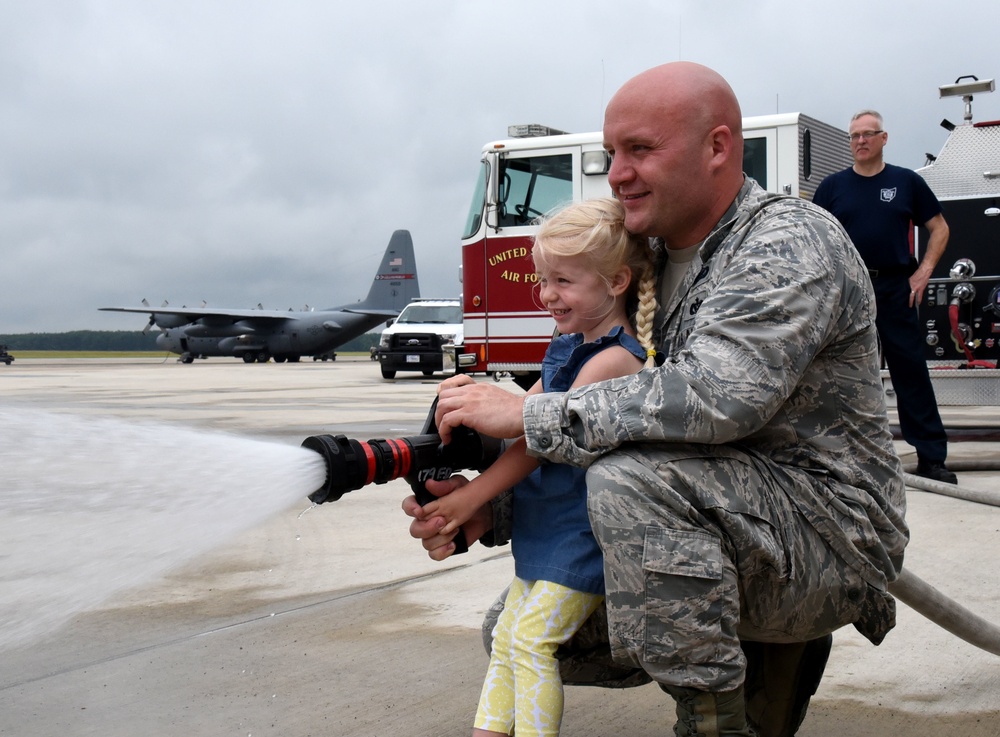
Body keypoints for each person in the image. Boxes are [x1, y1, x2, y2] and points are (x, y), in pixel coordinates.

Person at [405, 62, 908, 737]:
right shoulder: (641, 256)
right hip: (720, 514)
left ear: (718, 148)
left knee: (631, 482)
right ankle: (753, 681)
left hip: (825, 535)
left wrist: (529, 413)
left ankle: (720, 718)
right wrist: (486, 505)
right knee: (518, 629)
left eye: (640, 149)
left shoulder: (788, 241)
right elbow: (618, 414)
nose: (616, 173)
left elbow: (715, 398)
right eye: (613, 153)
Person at [422, 197, 656, 737]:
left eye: (563, 281)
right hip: (546, 530)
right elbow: (518, 415)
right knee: (509, 637)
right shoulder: (570, 346)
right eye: (542, 280)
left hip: (580, 536)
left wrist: (473, 495)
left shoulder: (615, 359)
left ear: (617, 281)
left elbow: (534, 438)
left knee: (530, 642)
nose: (548, 294)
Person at [813, 110, 957, 484]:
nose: (860, 141)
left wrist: (923, 272)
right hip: (848, 291)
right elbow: (814, 238)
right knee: (840, 373)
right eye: (854, 136)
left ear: (884, 138)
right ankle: (837, 457)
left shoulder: (906, 182)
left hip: (896, 289)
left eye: (867, 134)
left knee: (910, 372)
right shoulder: (832, 188)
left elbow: (939, 229)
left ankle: (931, 457)